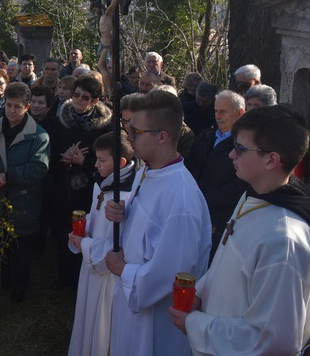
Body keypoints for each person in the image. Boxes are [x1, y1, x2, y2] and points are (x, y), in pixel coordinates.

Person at [169, 105, 310, 356]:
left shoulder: (283, 240)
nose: (231, 154)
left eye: (241, 148)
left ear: (271, 160)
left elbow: (272, 342)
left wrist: (195, 324)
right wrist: (201, 293)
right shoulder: (253, 197)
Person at [104, 90, 211, 356]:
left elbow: (174, 272)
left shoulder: (181, 197)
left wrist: (123, 270)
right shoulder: (148, 172)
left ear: (162, 137)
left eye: (136, 132)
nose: (128, 138)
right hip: (131, 301)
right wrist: (123, 214)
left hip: (154, 318)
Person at [0, 82, 50, 303]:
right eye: (9, 105)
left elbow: (39, 167)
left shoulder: (39, 136)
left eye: (17, 106)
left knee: (21, 245)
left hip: (22, 199)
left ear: (27, 107)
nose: (12, 111)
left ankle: (18, 285)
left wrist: (8, 176)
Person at [68, 132, 139, 356]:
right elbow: (96, 215)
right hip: (90, 261)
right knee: (86, 315)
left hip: (107, 274)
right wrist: (84, 228)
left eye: (101, 160)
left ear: (121, 163)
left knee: (102, 327)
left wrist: (86, 244)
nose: (96, 164)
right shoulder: (103, 183)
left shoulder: (127, 195)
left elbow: (120, 242)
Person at [46, 75, 112, 289]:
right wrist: (63, 157)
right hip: (62, 186)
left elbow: (111, 160)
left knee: (86, 231)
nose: (79, 99)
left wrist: (83, 161)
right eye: (76, 94)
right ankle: (63, 277)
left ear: (95, 101)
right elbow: (48, 151)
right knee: (63, 230)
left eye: (85, 97)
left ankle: (83, 279)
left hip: (90, 189)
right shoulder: (59, 121)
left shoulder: (105, 127)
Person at [185, 90, 247, 258]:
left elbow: (239, 185)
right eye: (215, 111)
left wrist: (204, 198)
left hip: (220, 219)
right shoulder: (206, 136)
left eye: (223, 112)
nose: (218, 116)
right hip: (194, 212)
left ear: (239, 113)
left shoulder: (244, 145)